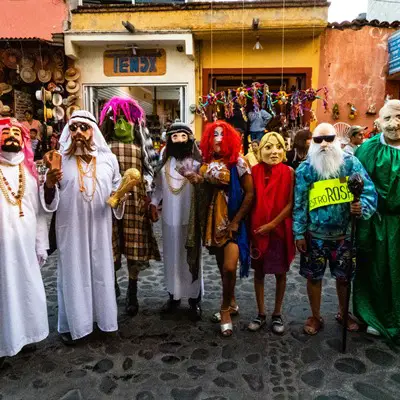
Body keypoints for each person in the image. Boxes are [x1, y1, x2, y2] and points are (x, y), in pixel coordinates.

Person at [42, 110, 124, 345]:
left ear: (93, 132)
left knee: (101, 271)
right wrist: (48, 183)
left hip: (100, 226)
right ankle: (75, 325)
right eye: (73, 128)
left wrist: (122, 196)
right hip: (71, 227)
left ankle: (103, 321)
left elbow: (117, 189)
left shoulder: (109, 159)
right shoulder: (59, 160)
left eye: (83, 128)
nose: (78, 132)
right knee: (74, 273)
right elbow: (49, 198)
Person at [293, 123, 377, 335]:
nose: (324, 144)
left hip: (344, 234)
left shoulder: (351, 164)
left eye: (328, 139)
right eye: (318, 140)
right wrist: (299, 233)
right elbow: (300, 203)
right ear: (312, 142)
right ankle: (315, 315)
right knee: (314, 277)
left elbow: (368, 191)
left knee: (344, 277)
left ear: (336, 140)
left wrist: (361, 207)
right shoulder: (305, 169)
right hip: (315, 235)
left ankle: (343, 312)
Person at [100, 97, 160, 316]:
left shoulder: (140, 146)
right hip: (110, 199)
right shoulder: (102, 147)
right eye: (117, 119)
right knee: (110, 244)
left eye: (127, 119)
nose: (122, 124)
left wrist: (147, 188)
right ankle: (113, 281)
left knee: (134, 246)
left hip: (135, 200)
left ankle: (132, 289)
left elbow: (149, 168)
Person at [0, 118, 51, 368]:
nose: (10, 137)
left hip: (24, 245)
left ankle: (25, 335)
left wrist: (41, 244)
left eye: (15, 133)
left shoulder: (29, 175)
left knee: (25, 289)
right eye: (5, 133)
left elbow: (40, 213)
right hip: (1, 249)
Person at [195, 121, 254, 337]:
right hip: (214, 220)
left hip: (233, 221)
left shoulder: (239, 162)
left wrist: (237, 220)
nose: (218, 138)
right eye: (214, 134)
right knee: (222, 268)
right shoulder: (207, 162)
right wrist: (197, 179)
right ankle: (232, 302)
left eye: (222, 134)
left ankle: (224, 310)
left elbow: (249, 193)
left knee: (230, 267)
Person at [353, 100, 400, 339]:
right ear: (379, 122)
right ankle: (373, 315)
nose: (394, 124)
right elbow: (354, 183)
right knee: (376, 268)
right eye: (389, 118)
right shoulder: (368, 149)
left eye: (399, 117)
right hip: (376, 221)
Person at [150, 122, 203, 320]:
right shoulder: (164, 163)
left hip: (190, 219)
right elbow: (158, 188)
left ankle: (193, 300)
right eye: (175, 137)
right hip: (170, 220)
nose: (180, 140)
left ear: (189, 139)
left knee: (191, 258)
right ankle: (173, 296)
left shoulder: (197, 163)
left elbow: (204, 188)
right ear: (170, 140)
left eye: (183, 136)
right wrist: (154, 204)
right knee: (172, 258)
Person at [248, 132, 295, 334]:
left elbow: (290, 204)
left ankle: (277, 313)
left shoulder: (289, 172)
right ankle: (261, 313)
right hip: (257, 231)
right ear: (260, 151)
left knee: (280, 273)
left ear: (284, 150)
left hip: (279, 231)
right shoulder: (253, 171)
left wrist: (272, 224)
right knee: (258, 274)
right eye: (268, 147)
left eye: (278, 147)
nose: (274, 151)